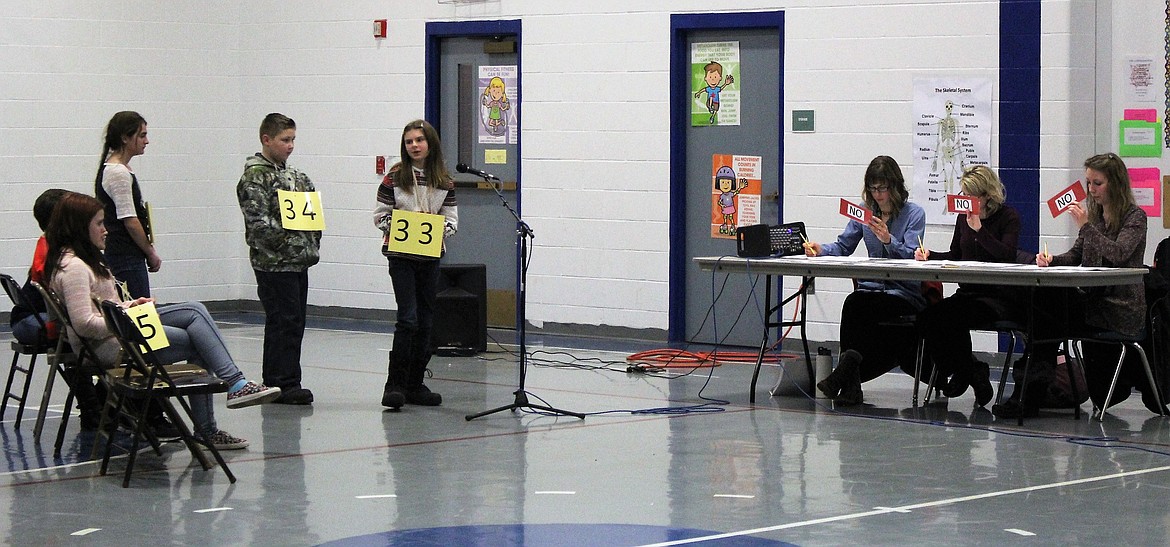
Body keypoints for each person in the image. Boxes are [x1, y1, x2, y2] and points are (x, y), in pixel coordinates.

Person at [44, 193, 280, 449]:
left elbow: (101, 307)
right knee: (198, 342)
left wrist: (128, 307)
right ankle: (218, 411)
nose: (106, 230)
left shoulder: (81, 259)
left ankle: (234, 386)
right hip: (112, 346)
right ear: (80, 228)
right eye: (99, 224)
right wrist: (124, 319)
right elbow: (84, 325)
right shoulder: (75, 267)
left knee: (194, 310)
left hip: (119, 333)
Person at [1029, 152, 1158, 414]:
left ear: (1116, 183)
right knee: (1044, 306)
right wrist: (1052, 259)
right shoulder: (1096, 216)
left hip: (1120, 306)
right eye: (1088, 183)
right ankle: (1034, 388)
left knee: (1050, 314)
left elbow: (1120, 253)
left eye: (1097, 183)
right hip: (1093, 299)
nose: (1091, 189)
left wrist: (1087, 227)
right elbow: (1077, 254)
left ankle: (1034, 389)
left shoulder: (1135, 217)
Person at [805, 156, 927, 405]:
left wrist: (888, 240)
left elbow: (913, 255)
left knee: (869, 310)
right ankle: (851, 384)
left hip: (902, 291)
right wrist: (821, 249)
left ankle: (847, 377)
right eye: (873, 188)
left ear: (895, 187)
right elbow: (843, 245)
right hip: (871, 287)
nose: (878, 194)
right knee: (853, 303)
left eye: (882, 188)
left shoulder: (914, 214)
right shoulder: (865, 211)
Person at [914, 165, 1023, 408]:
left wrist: (980, 231)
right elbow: (956, 255)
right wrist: (930, 255)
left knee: (951, 319)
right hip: (969, 292)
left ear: (987, 196)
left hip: (997, 296)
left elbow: (1006, 256)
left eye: (970, 195)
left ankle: (967, 372)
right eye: (963, 195)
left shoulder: (1008, 217)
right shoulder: (963, 218)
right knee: (928, 318)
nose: (966, 201)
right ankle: (972, 369)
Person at [373, 119, 458, 409]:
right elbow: (380, 215)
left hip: (429, 257)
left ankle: (415, 383)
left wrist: (436, 230)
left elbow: (452, 220)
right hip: (400, 257)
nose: (414, 145)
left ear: (430, 143)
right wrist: (399, 225)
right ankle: (394, 384)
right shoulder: (395, 176)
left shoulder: (444, 180)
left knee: (425, 319)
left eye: (419, 140)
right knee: (407, 318)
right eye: (409, 141)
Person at [237, 113, 321, 405]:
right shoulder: (254, 177)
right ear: (266, 140)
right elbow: (259, 223)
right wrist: (289, 245)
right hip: (273, 263)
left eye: (293, 139)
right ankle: (280, 382)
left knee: (294, 321)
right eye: (285, 140)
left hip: (298, 262)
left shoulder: (298, 177)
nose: (290, 146)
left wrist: (310, 244)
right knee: (282, 321)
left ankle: (286, 379)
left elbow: (312, 216)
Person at [94, 111, 160, 299]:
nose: (146, 141)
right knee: (139, 310)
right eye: (142, 135)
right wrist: (150, 252)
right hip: (126, 256)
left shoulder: (120, 170)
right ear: (125, 138)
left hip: (125, 254)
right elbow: (129, 219)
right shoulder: (118, 173)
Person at [9, 189, 72, 345]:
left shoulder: (52, 243)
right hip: (30, 319)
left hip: (36, 315)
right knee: (80, 330)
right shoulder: (51, 250)